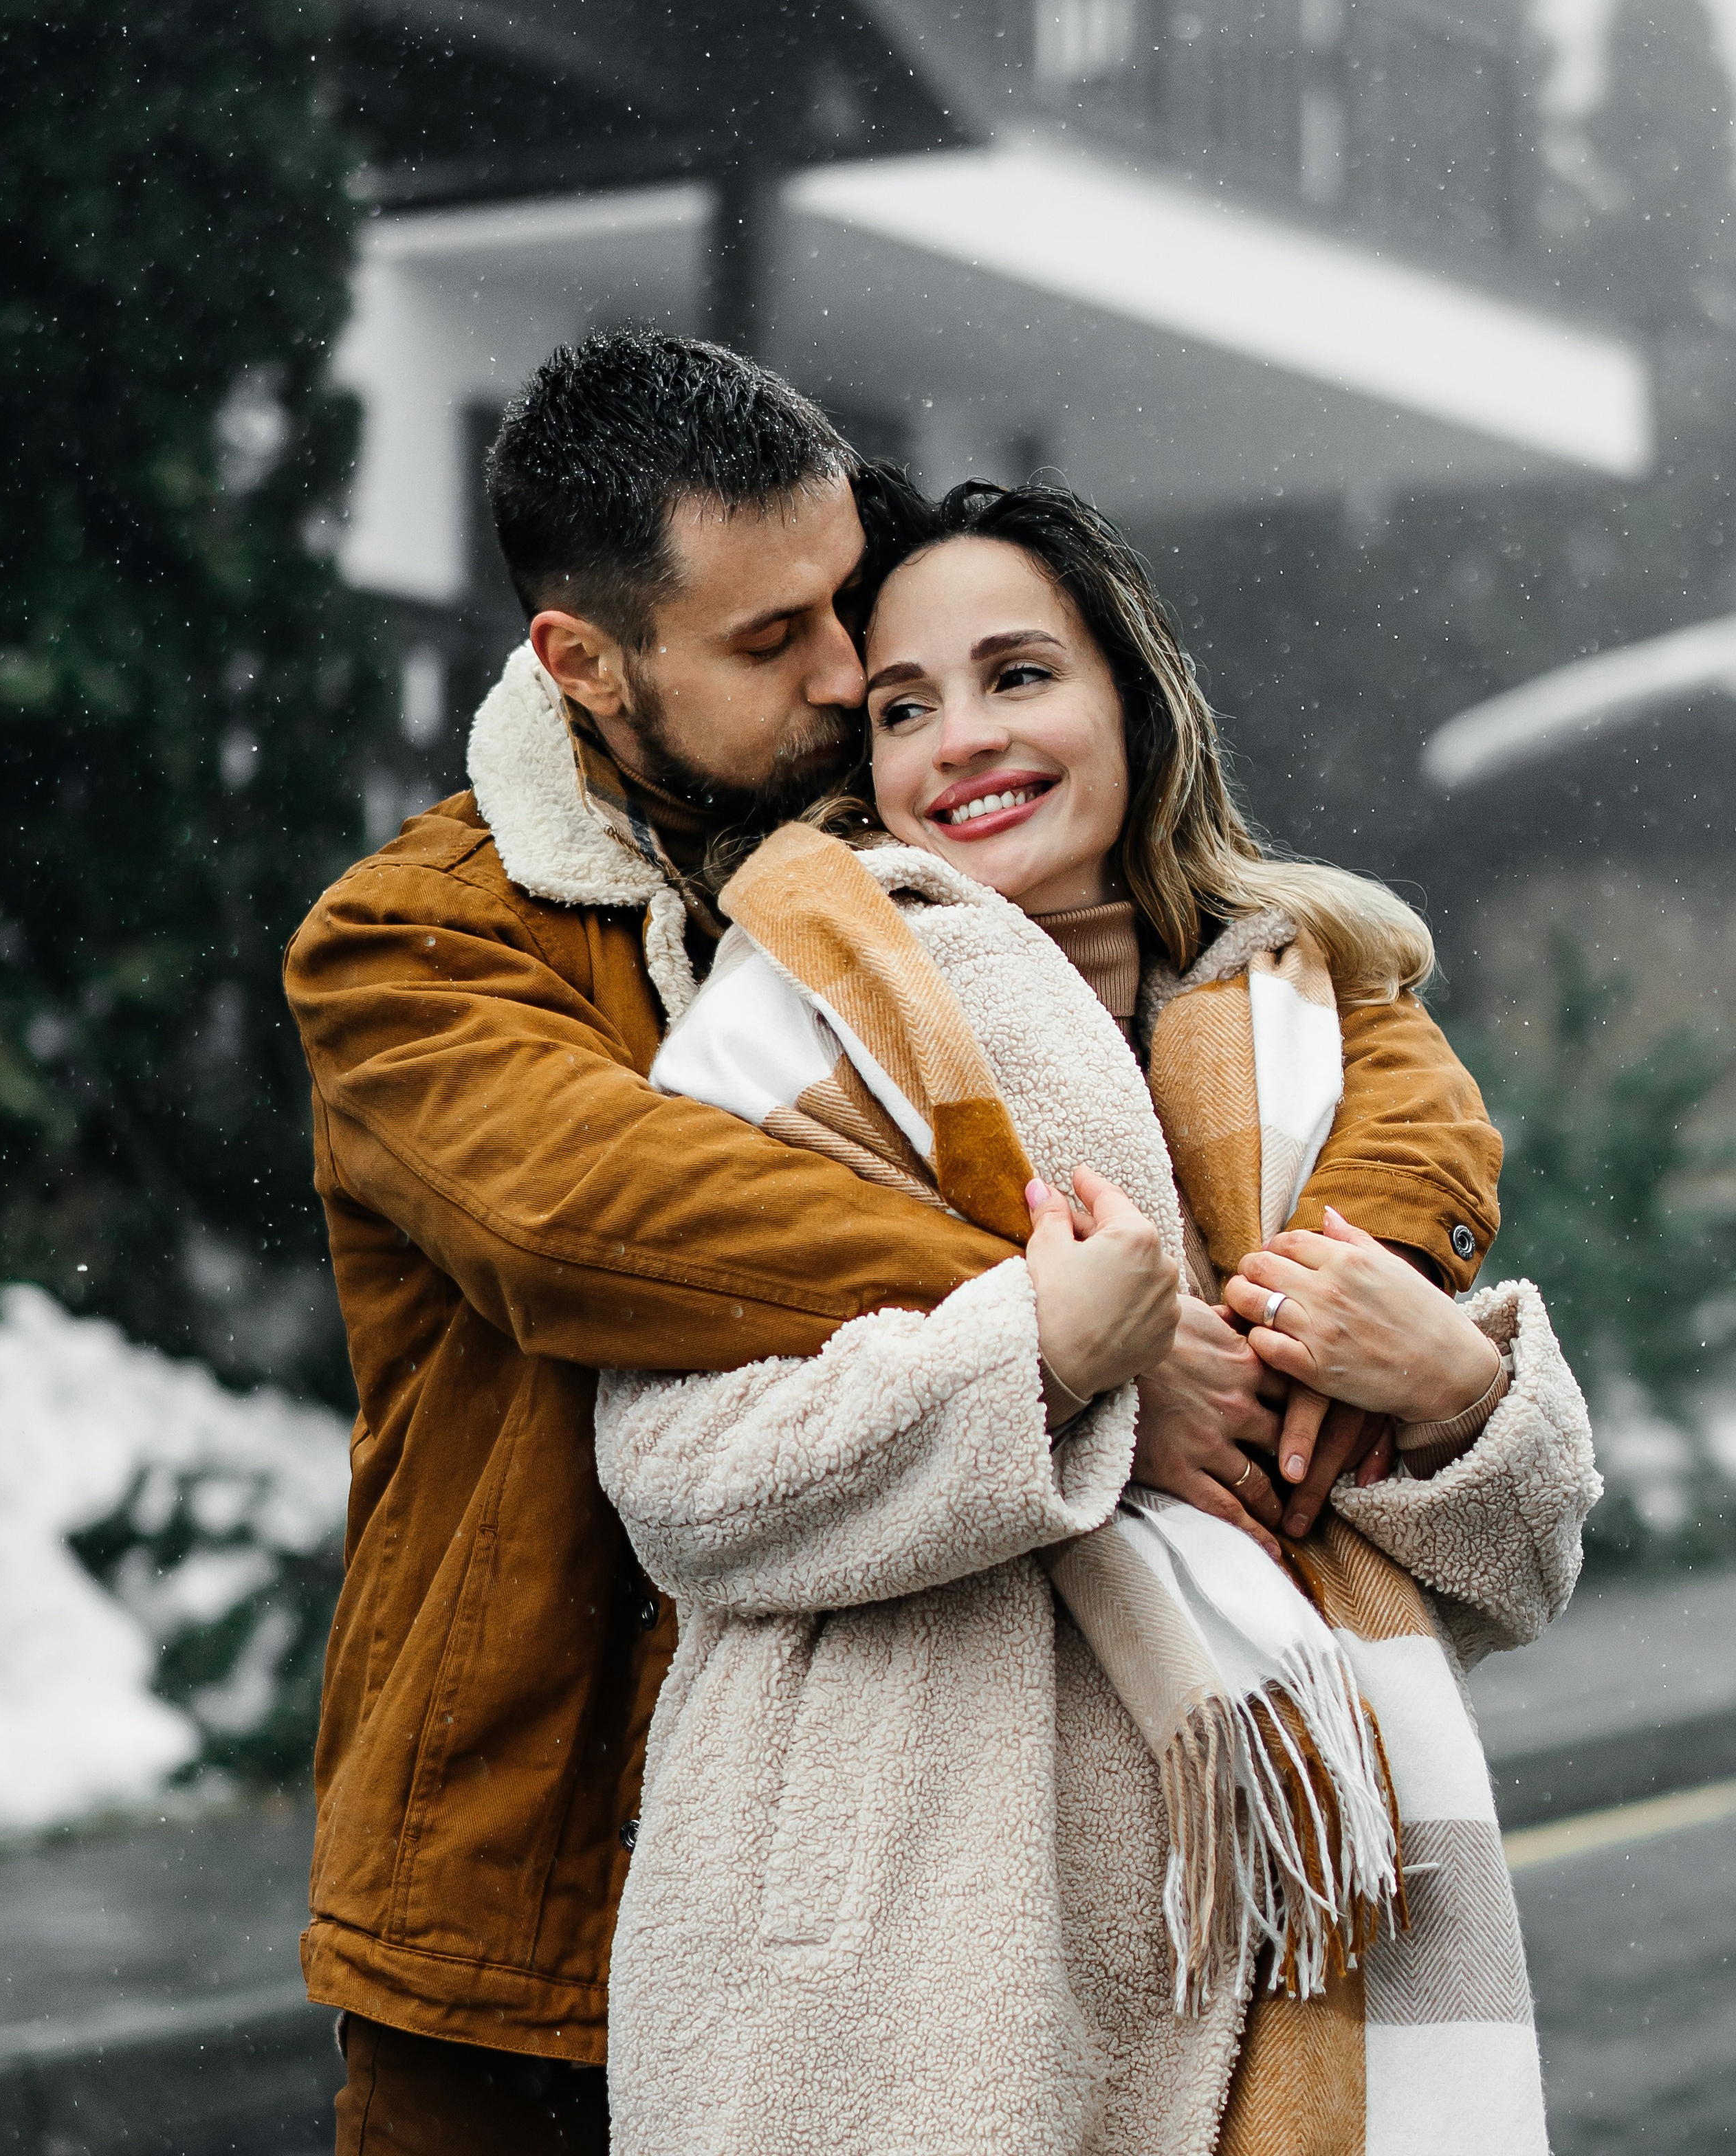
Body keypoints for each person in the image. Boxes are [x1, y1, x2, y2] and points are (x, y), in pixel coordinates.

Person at [283, 335, 1504, 2153]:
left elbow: (1321, 1002)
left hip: (917, 1870)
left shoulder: (914, 846)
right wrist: (1081, 1338)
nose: (853, 676)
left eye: (843, 603)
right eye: (774, 641)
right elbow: (605, 1212)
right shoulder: (411, 948)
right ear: (586, 666)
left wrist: (1335, 1283)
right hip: (526, 1882)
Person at [596, 478, 1600, 2153]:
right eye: (903, 707)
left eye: (1017, 675)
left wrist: (1450, 1392)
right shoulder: (789, 1028)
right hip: (911, 1962)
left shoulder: (1313, 1042)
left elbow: (1512, 1566)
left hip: (1298, 1933)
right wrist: (1058, 1364)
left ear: (1128, 698)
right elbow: (682, 1479)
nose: (960, 739)